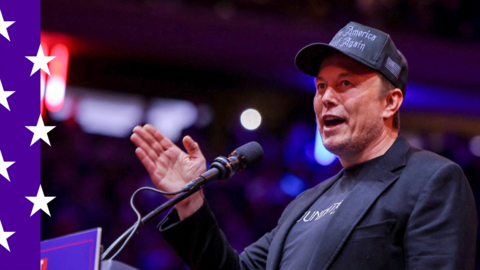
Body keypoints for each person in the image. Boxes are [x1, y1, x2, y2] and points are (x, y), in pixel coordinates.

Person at [130, 21, 477, 270]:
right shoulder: (304, 205)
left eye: (346, 83)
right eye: (321, 86)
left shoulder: (431, 179)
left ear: (390, 102)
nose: (327, 98)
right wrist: (190, 202)